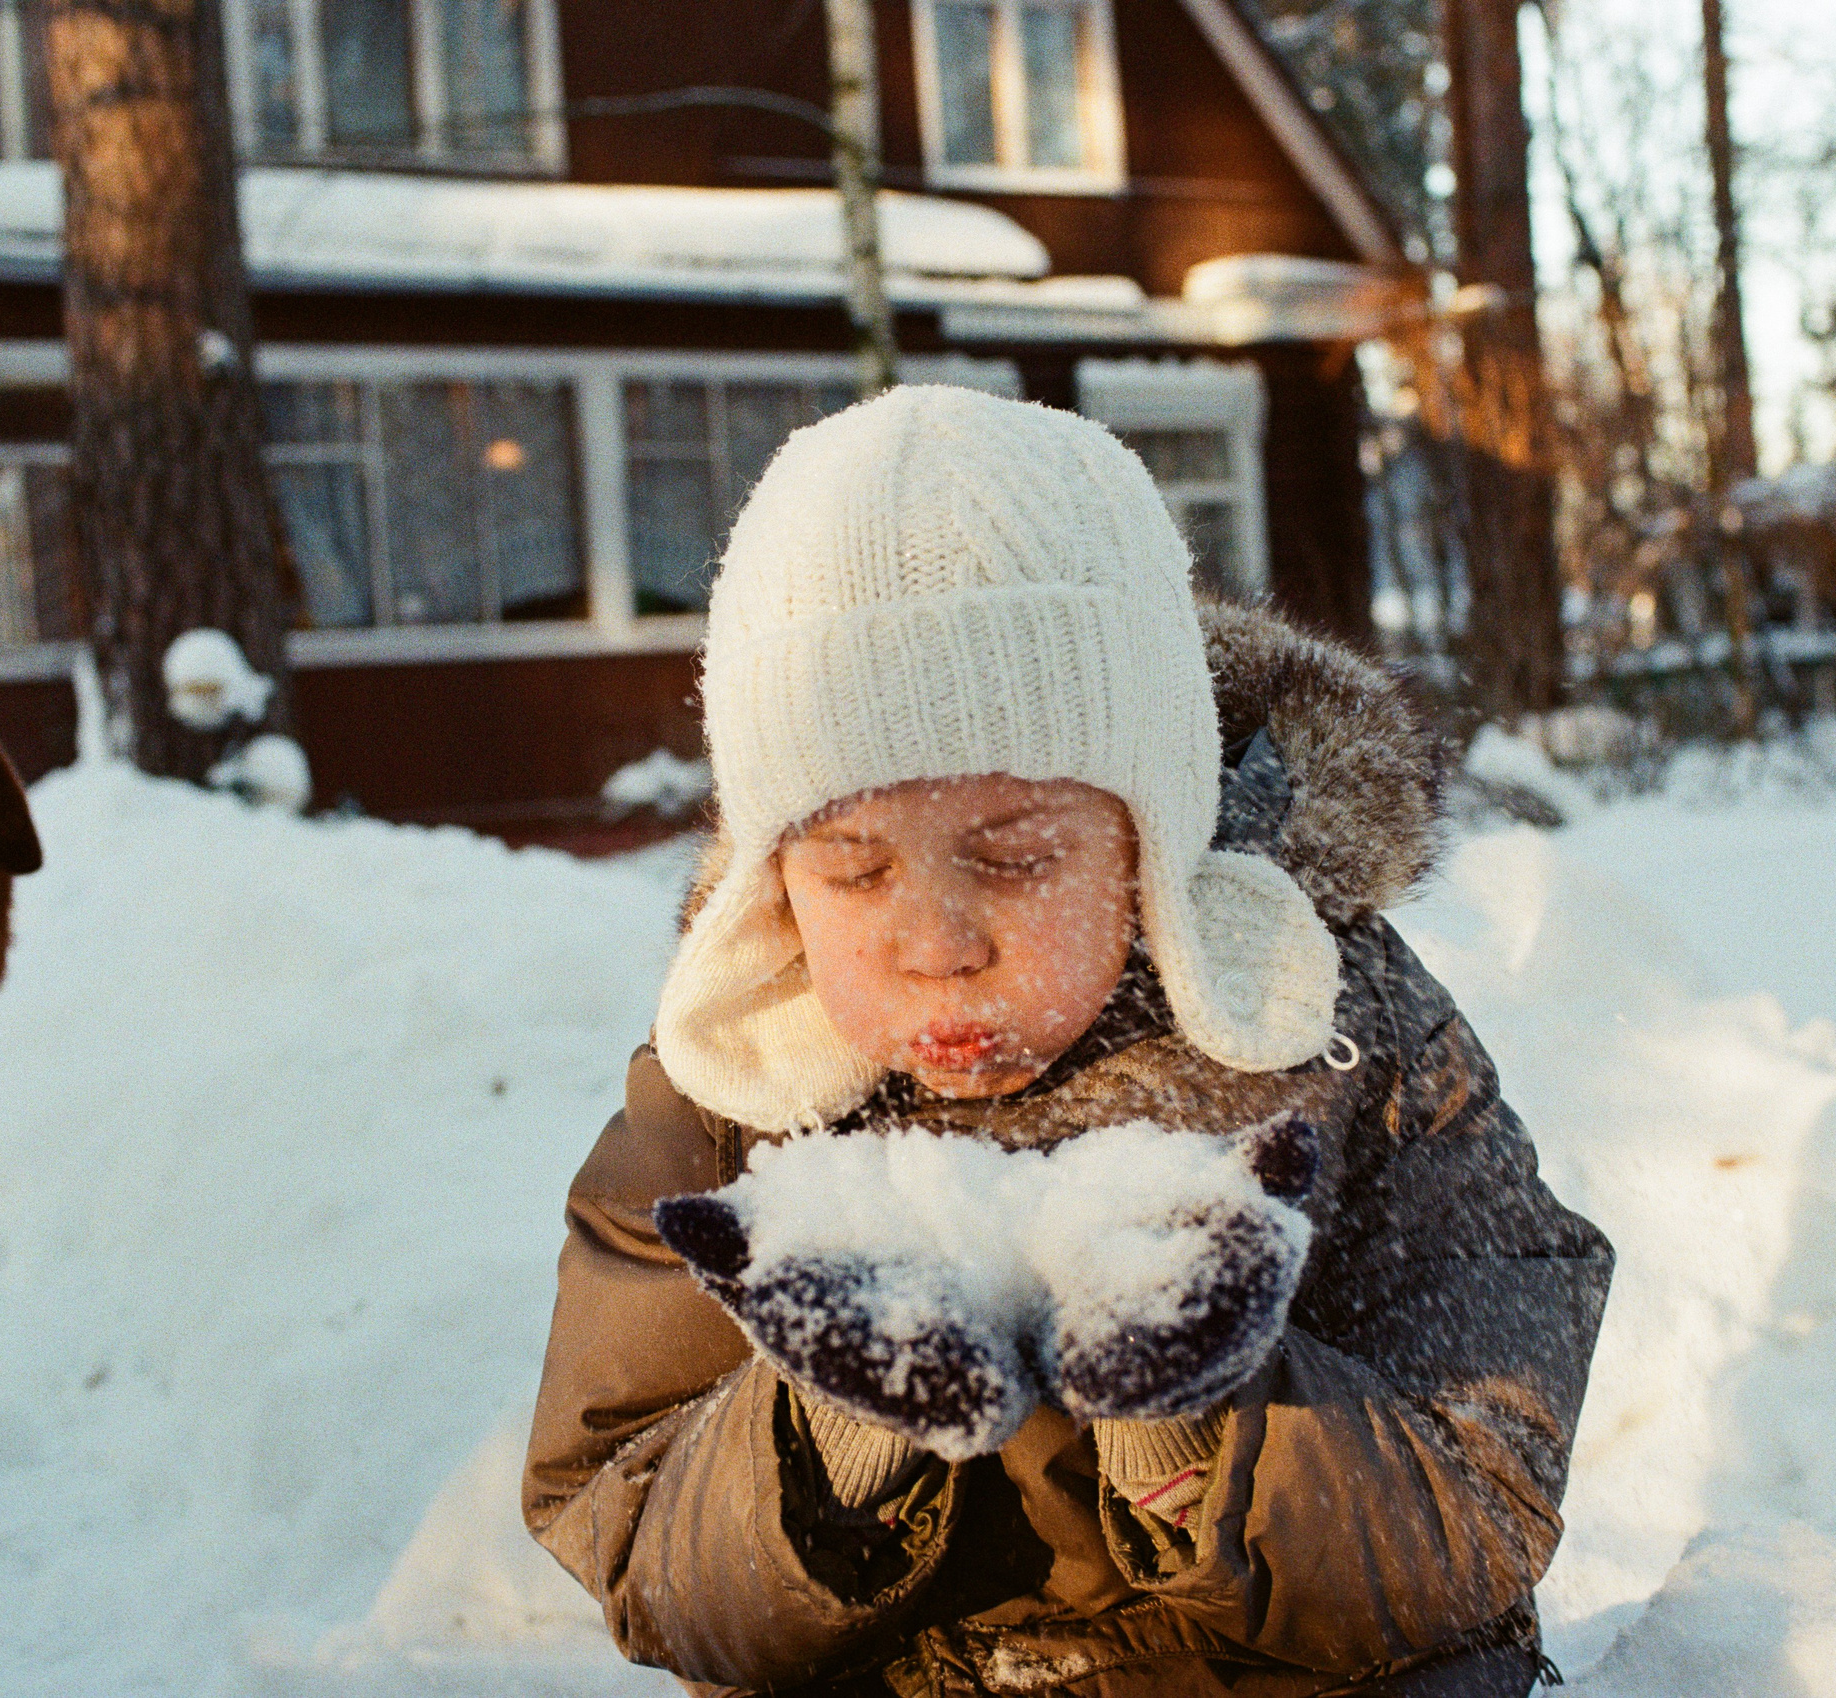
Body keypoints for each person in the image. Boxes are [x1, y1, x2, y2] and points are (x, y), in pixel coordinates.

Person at [523, 386, 1613, 1698]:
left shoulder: (1329, 1024)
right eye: (854, 871)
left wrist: (1197, 1426)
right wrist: (834, 1434)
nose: (936, 939)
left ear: (1150, 831)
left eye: (1015, 857)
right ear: (773, 877)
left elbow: (1483, 1488)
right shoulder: (733, 1086)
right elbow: (628, 1519)